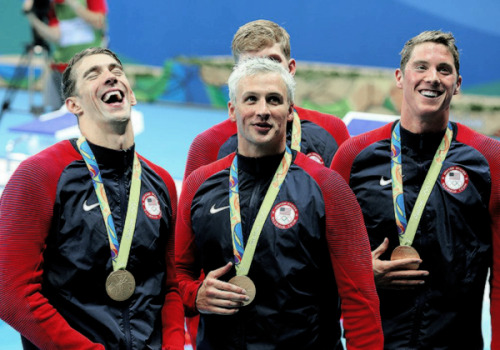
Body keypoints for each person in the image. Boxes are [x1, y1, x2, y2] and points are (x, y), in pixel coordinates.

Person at [175, 57, 383, 349]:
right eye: (251, 99)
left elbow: (360, 298)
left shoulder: (328, 187)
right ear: (233, 110)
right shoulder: (201, 183)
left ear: (289, 111)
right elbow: (175, 276)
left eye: (274, 100)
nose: (263, 111)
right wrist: (194, 295)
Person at [0, 47, 185, 349]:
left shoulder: (160, 182)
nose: (110, 77)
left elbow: (170, 285)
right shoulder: (39, 175)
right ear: (73, 104)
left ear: (132, 95)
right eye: (93, 74)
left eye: (116, 70)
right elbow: (10, 293)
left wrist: (174, 346)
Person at [331, 30, 500, 349]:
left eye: (444, 70)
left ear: (458, 84)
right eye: (421, 67)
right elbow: (319, 257)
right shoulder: (353, 157)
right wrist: (361, 273)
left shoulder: (489, 161)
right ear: (400, 77)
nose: (432, 78)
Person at [183, 19, 350, 181]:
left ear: (291, 68)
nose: (263, 73)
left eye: (272, 62)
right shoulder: (208, 145)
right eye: (251, 65)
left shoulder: (332, 131)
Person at [23, 0, 107, 110]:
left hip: (89, 69)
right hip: (62, 68)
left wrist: (73, 4)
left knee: (91, 113)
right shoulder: (54, 5)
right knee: (57, 115)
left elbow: (99, 22)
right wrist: (31, 15)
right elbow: (55, 36)